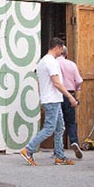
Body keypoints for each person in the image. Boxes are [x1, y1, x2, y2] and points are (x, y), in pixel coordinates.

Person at [20, 38, 79, 166]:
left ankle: (60, 156)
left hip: (51, 99)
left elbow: (40, 82)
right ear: (57, 47)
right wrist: (70, 97)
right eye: (61, 49)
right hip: (52, 99)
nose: (62, 52)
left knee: (59, 127)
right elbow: (56, 82)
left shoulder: (43, 61)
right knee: (49, 128)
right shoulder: (51, 62)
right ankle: (28, 149)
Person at [57, 46, 84, 158]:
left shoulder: (53, 63)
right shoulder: (72, 64)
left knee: (57, 123)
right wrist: (76, 89)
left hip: (57, 94)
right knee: (71, 122)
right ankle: (74, 141)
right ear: (66, 53)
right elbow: (79, 80)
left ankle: (58, 148)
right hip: (70, 95)